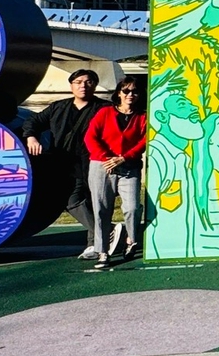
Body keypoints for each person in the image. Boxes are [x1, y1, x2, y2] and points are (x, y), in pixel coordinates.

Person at [23, 68, 108, 258]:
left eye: (88, 82)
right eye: (78, 82)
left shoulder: (105, 109)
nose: (83, 86)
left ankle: (97, 242)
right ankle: (101, 238)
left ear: (95, 85)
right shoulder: (58, 107)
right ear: (71, 85)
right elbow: (33, 122)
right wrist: (31, 137)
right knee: (75, 200)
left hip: (93, 162)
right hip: (62, 163)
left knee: (87, 201)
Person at [84, 76, 149, 270]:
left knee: (132, 208)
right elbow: (90, 137)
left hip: (129, 167)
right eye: (126, 91)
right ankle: (103, 251)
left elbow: (144, 141)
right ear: (119, 93)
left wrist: (124, 157)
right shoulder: (104, 113)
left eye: (134, 91)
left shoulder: (143, 117)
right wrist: (107, 158)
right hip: (101, 166)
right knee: (102, 209)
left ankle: (131, 239)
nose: (130, 95)